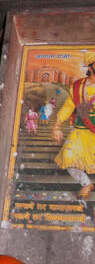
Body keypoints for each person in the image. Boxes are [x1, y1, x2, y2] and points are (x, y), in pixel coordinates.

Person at [52, 58, 95, 202]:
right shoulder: (77, 86)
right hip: (80, 131)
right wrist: (57, 126)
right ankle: (86, 184)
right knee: (68, 158)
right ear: (90, 66)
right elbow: (67, 107)